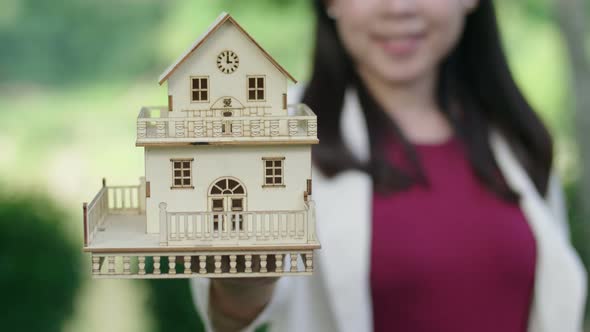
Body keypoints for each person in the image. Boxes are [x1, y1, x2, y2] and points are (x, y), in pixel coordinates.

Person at [190, 0, 588, 331]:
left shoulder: (518, 138)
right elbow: (231, 310)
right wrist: (243, 279)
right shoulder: (273, 136)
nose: (398, 8)